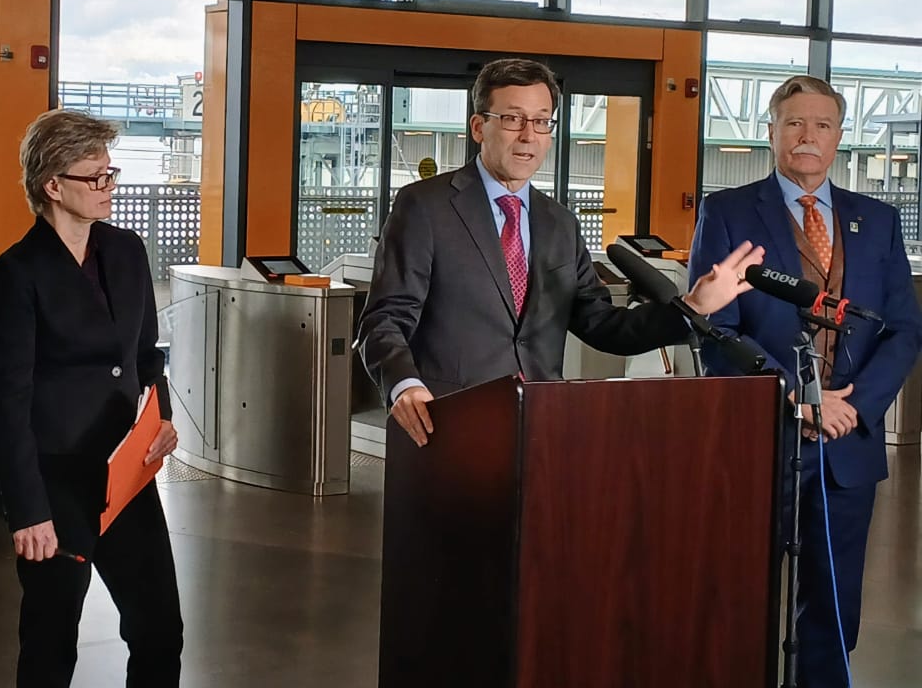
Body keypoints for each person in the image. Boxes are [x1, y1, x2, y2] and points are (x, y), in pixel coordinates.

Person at [358, 56, 764, 447]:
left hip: (541, 426)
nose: (528, 135)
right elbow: (385, 319)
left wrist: (692, 306)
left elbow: (603, 325)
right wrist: (404, 386)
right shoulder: (425, 206)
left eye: (541, 121)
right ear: (479, 127)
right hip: (446, 424)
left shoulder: (559, 223)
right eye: (513, 119)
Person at [690, 75, 922, 688]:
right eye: (794, 123)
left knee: (835, 606)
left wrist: (854, 407)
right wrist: (793, 397)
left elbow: (903, 329)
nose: (807, 136)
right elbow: (713, 328)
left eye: (822, 124)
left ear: (840, 136)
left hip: (848, 442)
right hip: (760, 438)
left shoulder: (878, 220)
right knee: (737, 595)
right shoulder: (727, 211)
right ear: (771, 132)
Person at [0, 108, 182, 687]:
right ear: (52, 186)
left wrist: (160, 419)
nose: (107, 186)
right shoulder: (16, 274)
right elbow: (4, 402)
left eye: (110, 173)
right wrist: (27, 511)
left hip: (127, 471)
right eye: (95, 177)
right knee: (51, 639)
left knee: (159, 629)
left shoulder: (126, 250)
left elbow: (145, 355)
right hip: (55, 481)